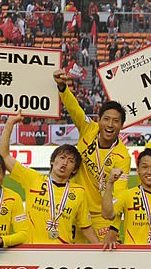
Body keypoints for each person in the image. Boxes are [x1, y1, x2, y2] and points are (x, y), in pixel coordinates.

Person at [54, 69, 131, 241]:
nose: (110, 124)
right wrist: (62, 87)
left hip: (101, 217)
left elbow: (119, 197)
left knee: (105, 260)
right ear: (99, 119)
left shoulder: (122, 157)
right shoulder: (89, 129)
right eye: (106, 119)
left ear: (122, 126)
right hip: (73, 206)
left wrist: (113, 228)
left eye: (116, 121)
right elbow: (74, 109)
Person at [0, 113, 97, 244]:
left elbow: (86, 227)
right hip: (32, 251)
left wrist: (101, 249)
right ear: (52, 161)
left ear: (74, 169)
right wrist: (9, 124)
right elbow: (3, 156)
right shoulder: (33, 179)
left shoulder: (79, 192)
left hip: (61, 255)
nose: (65, 163)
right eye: (62, 158)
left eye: (70, 161)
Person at [101, 149, 151, 249]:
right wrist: (110, 183)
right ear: (138, 170)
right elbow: (107, 214)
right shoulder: (127, 195)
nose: (149, 172)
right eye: (144, 167)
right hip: (133, 255)